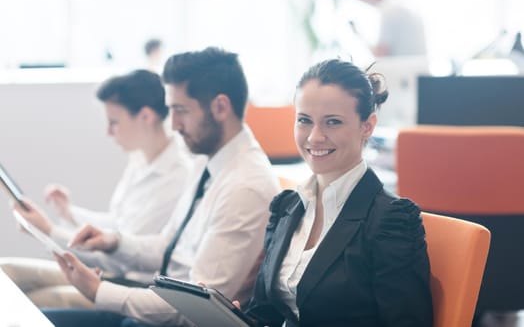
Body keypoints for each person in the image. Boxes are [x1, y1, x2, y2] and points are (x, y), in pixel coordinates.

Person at [37, 47, 281, 326]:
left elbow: (195, 306)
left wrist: (97, 291)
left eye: (180, 111)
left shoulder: (244, 187)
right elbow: (169, 245)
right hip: (159, 299)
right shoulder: (209, 160)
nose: (173, 125)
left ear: (221, 107)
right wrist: (114, 242)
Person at [243, 58, 433, 326]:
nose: (314, 137)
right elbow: (266, 312)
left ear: (367, 126)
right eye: (304, 120)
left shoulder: (390, 220)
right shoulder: (286, 207)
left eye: (332, 122)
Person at [1, 69, 194, 308]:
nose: (108, 132)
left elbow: (120, 259)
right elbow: (117, 224)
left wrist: (50, 231)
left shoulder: (176, 178)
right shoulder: (140, 160)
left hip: (129, 285)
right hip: (112, 275)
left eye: (114, 122)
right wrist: (70, 213)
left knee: (31, 300)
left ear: (145, 116)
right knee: (6, 271)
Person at [328, 0, 427, 57]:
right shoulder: (400, 4)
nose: (362, 1)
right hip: (420, 71)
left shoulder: (389, 12)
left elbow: (381, 53)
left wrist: (358, 33)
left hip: (406, 73)